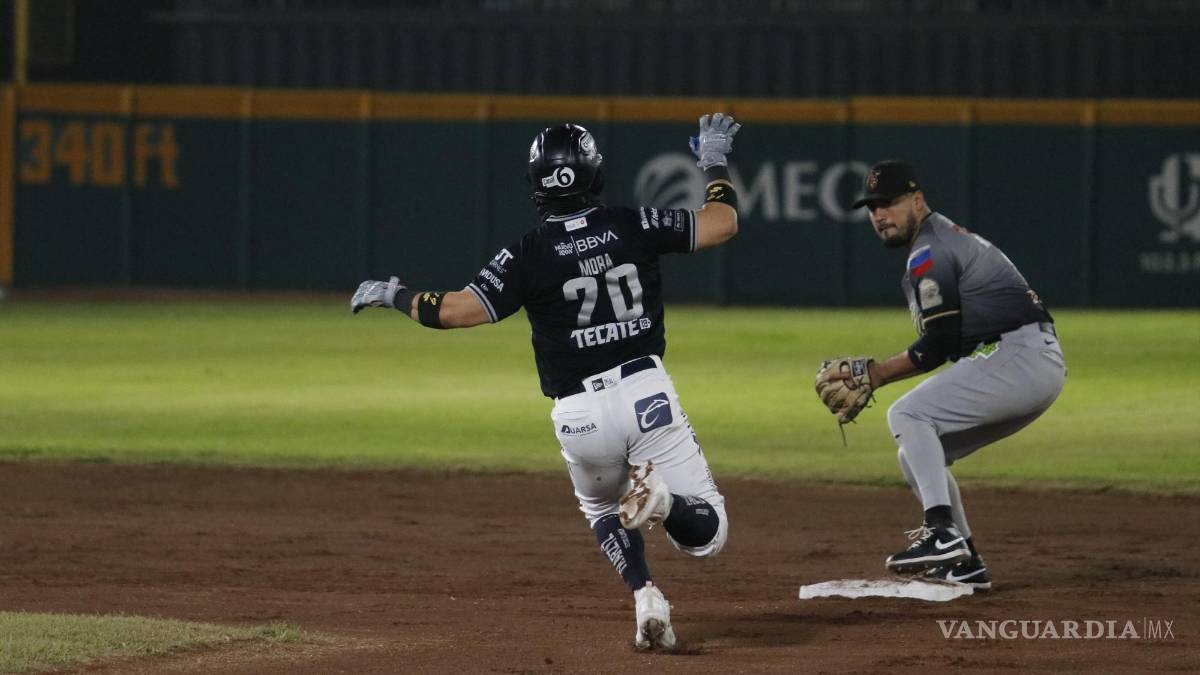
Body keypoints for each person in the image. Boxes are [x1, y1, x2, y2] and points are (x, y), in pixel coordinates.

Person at [351, 114, 743, 648]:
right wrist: (714, 160)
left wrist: (395, 296)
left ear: (536, 182)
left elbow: (456, 311)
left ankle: (645, 594)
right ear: (593, 172)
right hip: (645, 393)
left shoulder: (527, 252)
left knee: (603, 508)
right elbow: (721, 222)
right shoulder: (633, 224)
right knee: (709, 534)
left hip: (577, 415)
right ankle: (666, 503)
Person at [823, 160, 1066, 590]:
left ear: (917, 200)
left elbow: (939, 344)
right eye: (872, 207)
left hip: (1019, 353)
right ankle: (965, 561)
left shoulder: (931, 251)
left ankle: (940, 531)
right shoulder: (933, 245)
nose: (879, 215)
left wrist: (876, 374)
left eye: (889, 203)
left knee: (908, 415)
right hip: (1022, 358)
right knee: (914, 453)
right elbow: (949, 343)